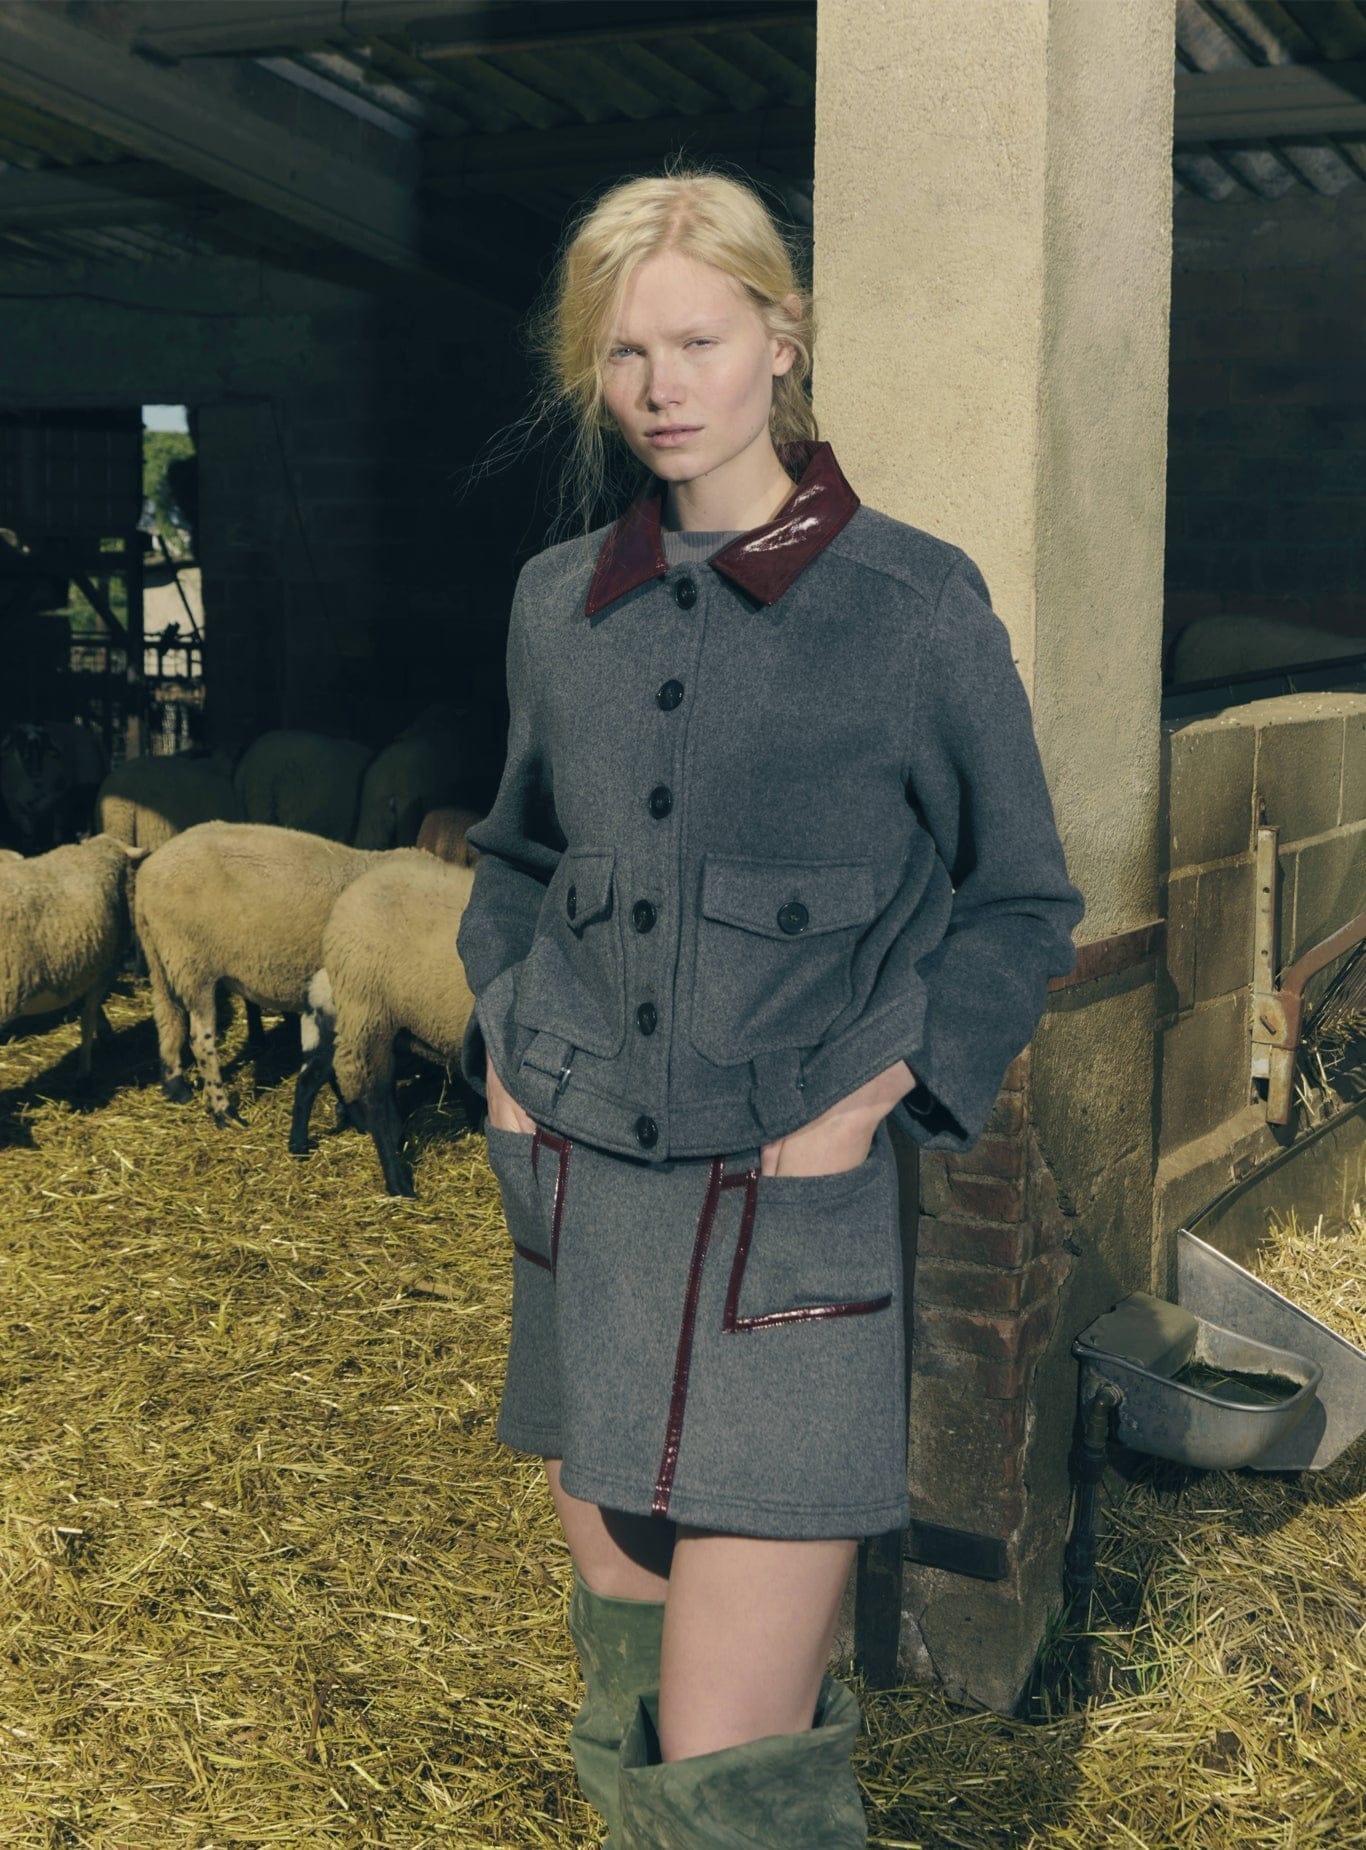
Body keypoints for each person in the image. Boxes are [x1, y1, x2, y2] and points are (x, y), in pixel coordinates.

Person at [456, 166, 1085, 1848]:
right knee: (625, 1687)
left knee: (732, 1766)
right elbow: (513, 859)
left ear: (781, 341)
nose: (661, 387)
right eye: (623, 353)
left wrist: (872, 1093)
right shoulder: (556, 603)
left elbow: (1023, 900)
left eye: (699, 341)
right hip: (588, 1213)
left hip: (786, 1231)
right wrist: (507, 1034)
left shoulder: (911, 603)